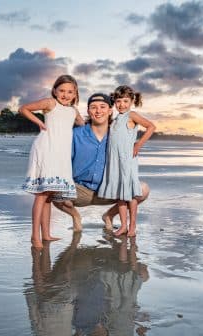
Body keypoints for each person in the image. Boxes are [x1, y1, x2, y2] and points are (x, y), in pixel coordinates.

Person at [53, 93, 150, 233]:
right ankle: (75, 216)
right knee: (53, 190)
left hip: (110, 189)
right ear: (88, 111)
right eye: (93, 107)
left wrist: (137, 145)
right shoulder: (75, 134)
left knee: (143, 189)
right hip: (80, 190)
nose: (98, 111)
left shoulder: (117, 134)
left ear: (110, 110)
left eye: (103, 107)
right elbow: (62, 161)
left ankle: (109, 215)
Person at [20, 75, 85, 248]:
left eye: (70, 91)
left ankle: (46, 234)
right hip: (46, 149)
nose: (65, 94)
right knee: (42, 194)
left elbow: (83, 125)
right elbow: (24, 109)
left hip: (61, 154)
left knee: (49, 196)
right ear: (55, 90)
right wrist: (39, 123)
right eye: (62, 90)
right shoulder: (50, 103)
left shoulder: (73, 111)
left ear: (75, 93)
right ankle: (35, 237)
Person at [98, 86, 156, 237]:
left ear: (132, 101)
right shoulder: (116, 119)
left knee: (130, 194)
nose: (122, 104)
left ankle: (132, 227)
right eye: (118, 101)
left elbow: (151, 127)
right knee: (120, 194)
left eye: (125, 101)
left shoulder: (132, 115)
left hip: (126, 160)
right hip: (114, 160)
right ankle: (123, 226)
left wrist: (138, 144)